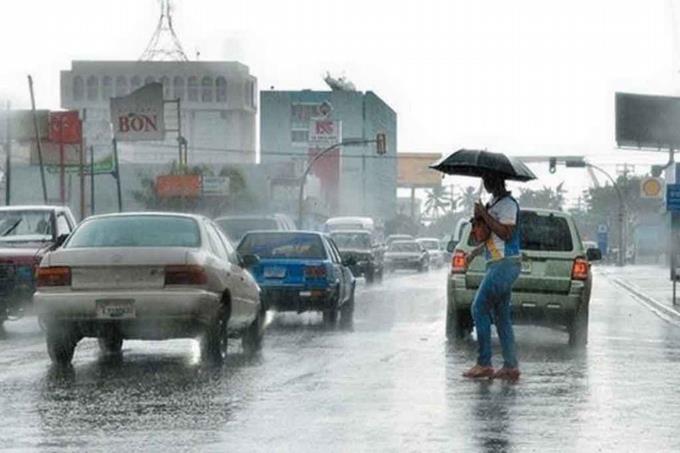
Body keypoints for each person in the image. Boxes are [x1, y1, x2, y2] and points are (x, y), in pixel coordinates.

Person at [462, 172, 522, 381]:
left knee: (479, 308)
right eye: (485, 179)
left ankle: (484, 363)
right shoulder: (493, 204)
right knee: (501, 317)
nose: (487, 183)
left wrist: (486, 215)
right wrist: (474, 252)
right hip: (496, 264)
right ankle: (510, 366)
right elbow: (488, 238)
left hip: (505, 265)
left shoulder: (508, 205)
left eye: (490, 179)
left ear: (499, 180)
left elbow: (506, 233)